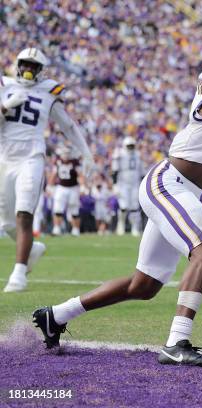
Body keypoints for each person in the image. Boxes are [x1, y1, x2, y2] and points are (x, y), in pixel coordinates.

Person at [32, 21, 202, 367]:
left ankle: (56, 315)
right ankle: (176, 342)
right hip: (168, 183)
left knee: (145, 285)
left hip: (186, 190)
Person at [1, 48, 94, 292]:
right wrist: (4, 108)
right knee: (6, 222)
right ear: (18, 65)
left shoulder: (48, 92)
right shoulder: (5, 86)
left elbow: (68, 126)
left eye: (34, 66)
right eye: (26, 64)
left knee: (24, 214)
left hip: (32, 157)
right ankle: (32, 249)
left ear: (40, 70)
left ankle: (19, 273)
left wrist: (86, 153)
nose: (29, 70)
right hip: (5, 158)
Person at [112, 136, 145, 236]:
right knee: (124, 206)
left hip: (135, 183)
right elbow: (115, 170)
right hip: (123, 183)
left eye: (132, 146)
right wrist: (115, 184)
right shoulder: (120, 154)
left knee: (135, 206)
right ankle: (121, 224)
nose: (130, 148)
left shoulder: (138, 155)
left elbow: (142, 171)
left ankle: (134, 227)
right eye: (129, 146)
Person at [51, 146, 82, 236]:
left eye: (67, 153)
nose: (65, 155)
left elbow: (80, 175)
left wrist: (83, 185)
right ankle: (56, 228)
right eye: (64, 153)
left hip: (73, 187)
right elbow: (53, 174)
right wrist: (50, 185)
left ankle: (76, 229)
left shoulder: (74, 162)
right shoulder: (57, 162)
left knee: (74, 210)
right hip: (61, 187)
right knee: (58, 209)